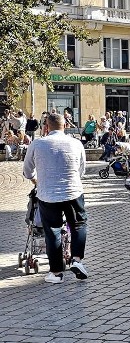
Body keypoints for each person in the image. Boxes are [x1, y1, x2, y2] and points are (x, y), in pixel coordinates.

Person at [22, 113, 89, 284]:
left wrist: (36, 180)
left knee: (53, 230)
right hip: (73, 191)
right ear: (65, 125)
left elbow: (27, 171)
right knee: (78, 224)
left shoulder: (37, 144)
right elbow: (82, 170)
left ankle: (56, 272)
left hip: (48, 194)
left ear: (46, 127)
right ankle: (76, 260)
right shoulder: (76, 143)